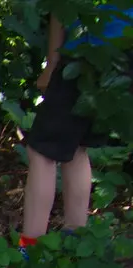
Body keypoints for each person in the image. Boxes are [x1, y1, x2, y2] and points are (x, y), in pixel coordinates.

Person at [19, 4, 133, 250]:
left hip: (86, 55)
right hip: (121, 59)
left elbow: (61, 11)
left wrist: (52, 65)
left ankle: (31, 247)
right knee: (77, 147)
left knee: (41, 152)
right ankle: (75, 238)